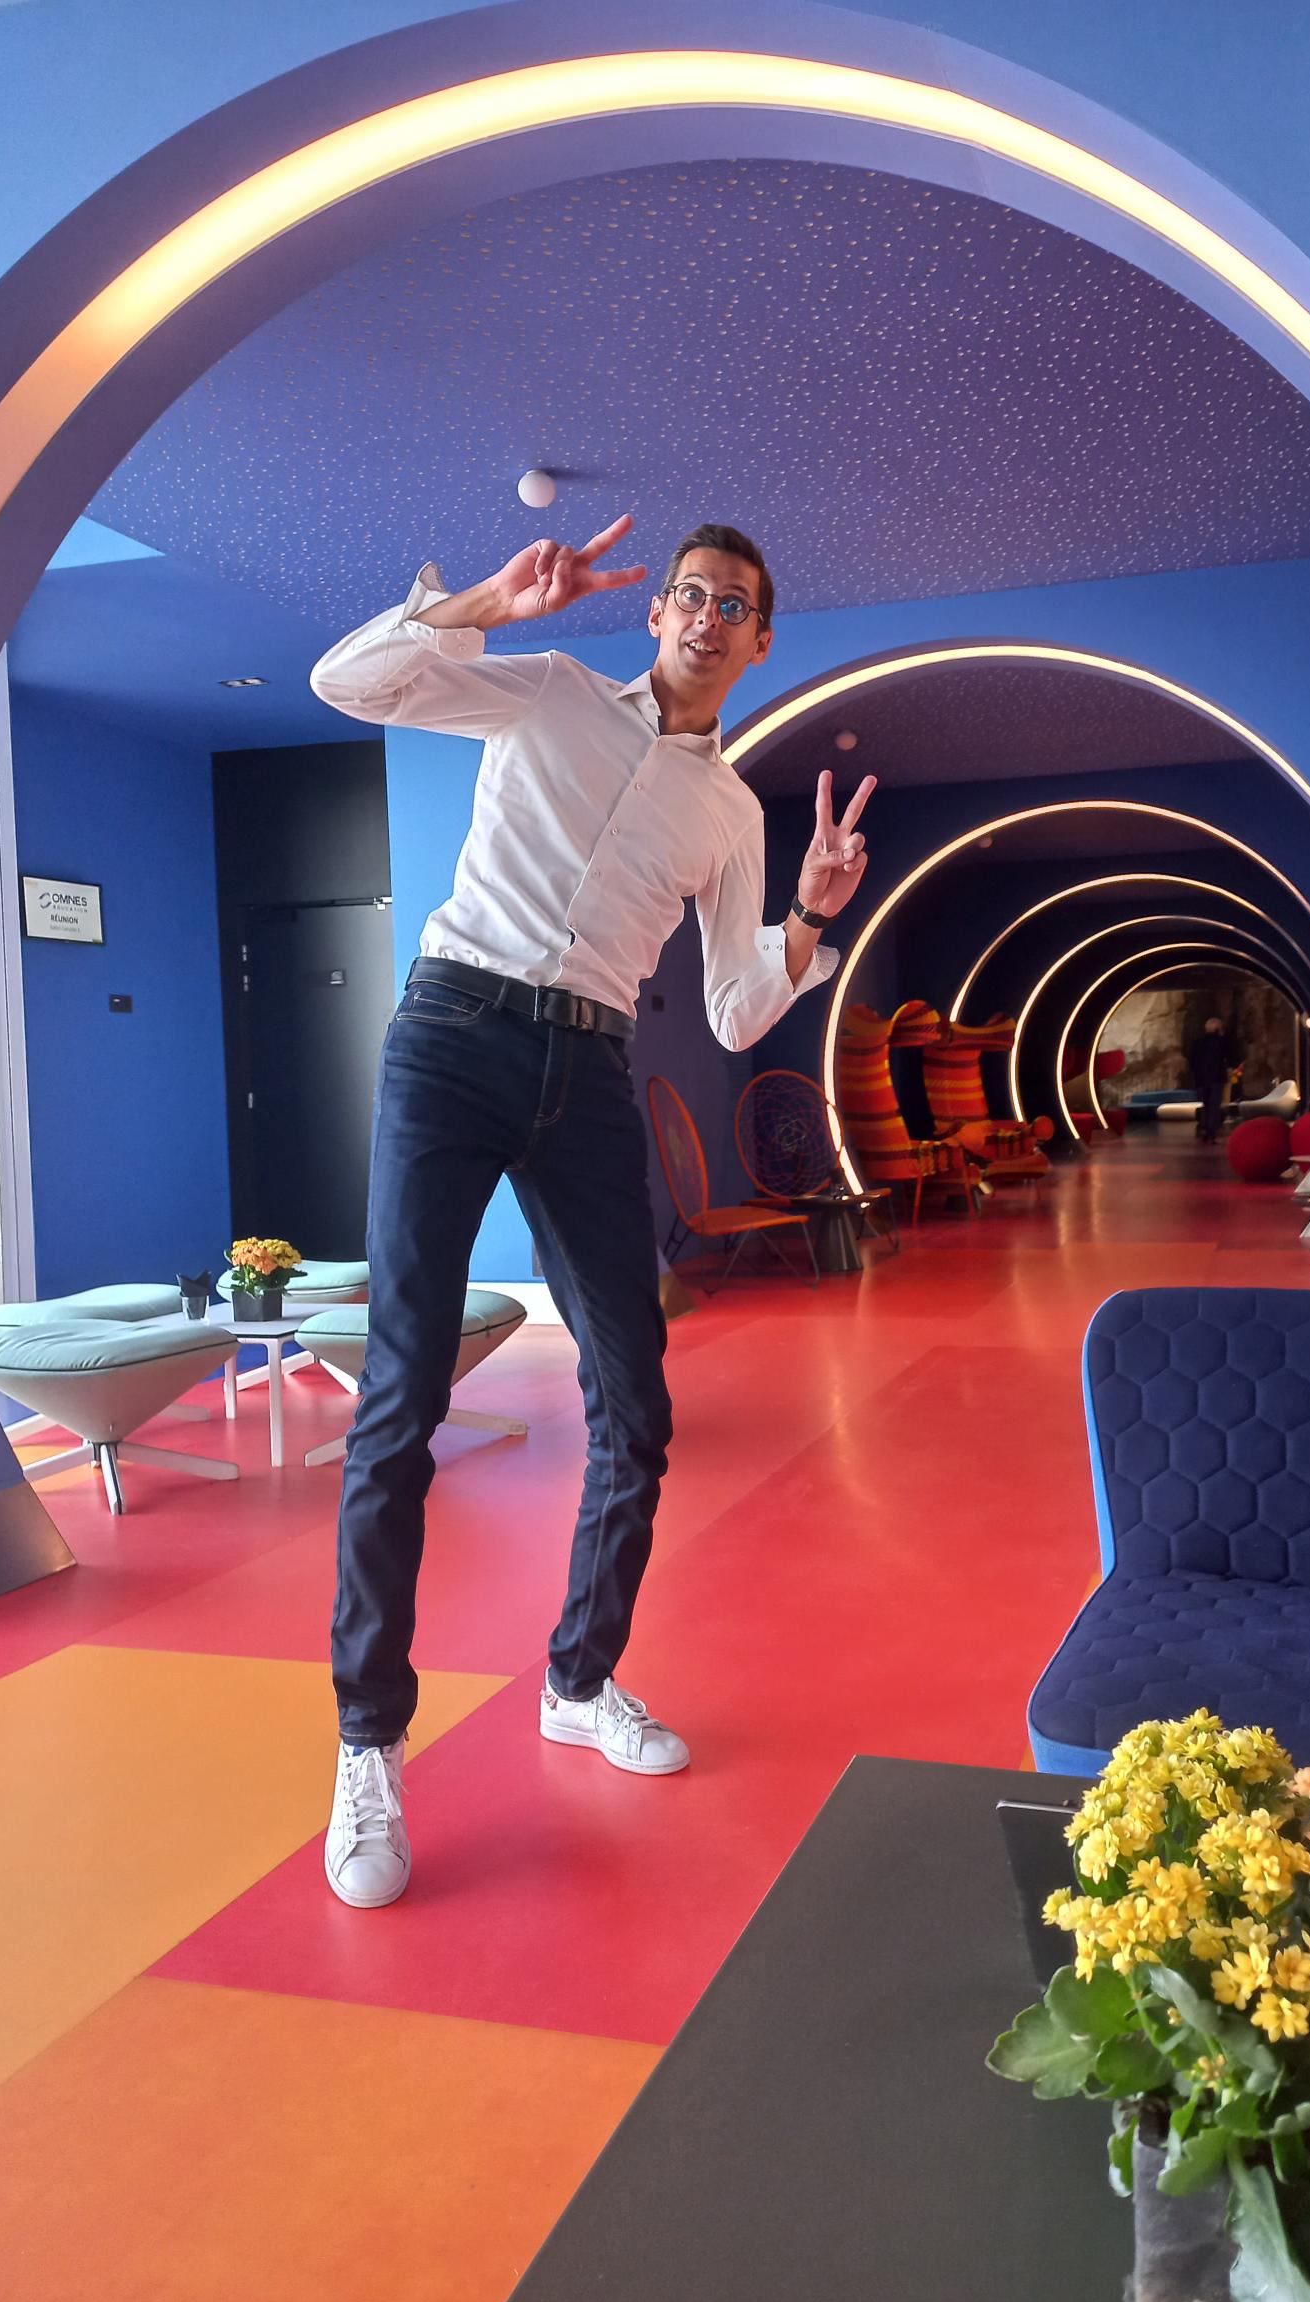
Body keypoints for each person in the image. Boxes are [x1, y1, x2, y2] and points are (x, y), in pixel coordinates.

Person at [308, 516, 875, 1908]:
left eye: (731, 604)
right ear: (657, 614)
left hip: (590, 1068)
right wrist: (483, 605)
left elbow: (736, 1009)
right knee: (401, 1395)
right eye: (689, 594)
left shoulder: (730, 815)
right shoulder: (547, 690)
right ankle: (368, 1744)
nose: (704, 616)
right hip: (452, 1035)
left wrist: (806, 923)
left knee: (638, 1401)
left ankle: (579, 1678)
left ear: (759, 641)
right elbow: (348, 683)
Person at [1188, 1015, 1233, 1143]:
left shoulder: (1197, 1042)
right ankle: (1212, 1132)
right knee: (1214, 1105)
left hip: (1201, 1079)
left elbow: (1192, 1061)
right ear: (1218, 1028)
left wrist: (1198, 1073)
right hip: (1216, 1078)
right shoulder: (1222, 1042)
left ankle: (1204, 1128)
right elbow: (1229, 1057)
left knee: (1205, 1104)